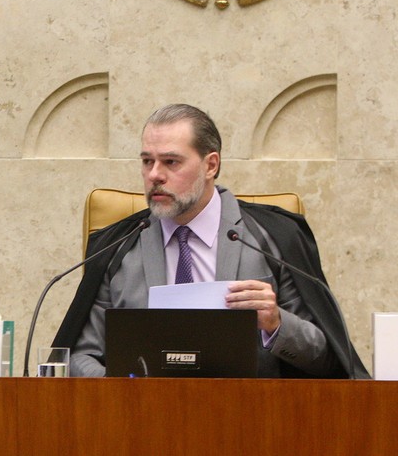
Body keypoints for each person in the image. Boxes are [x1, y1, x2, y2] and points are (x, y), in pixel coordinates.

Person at [53, 104, 368, 378]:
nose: (154, 176)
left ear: (211, 164)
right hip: (142, 423)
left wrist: (276, 323)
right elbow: (78, 356)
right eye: (147, 161)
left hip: (251, 423)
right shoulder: (117, 247)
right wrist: (125, 390)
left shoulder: (272, 237)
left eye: (171, 162)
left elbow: (328, 358)